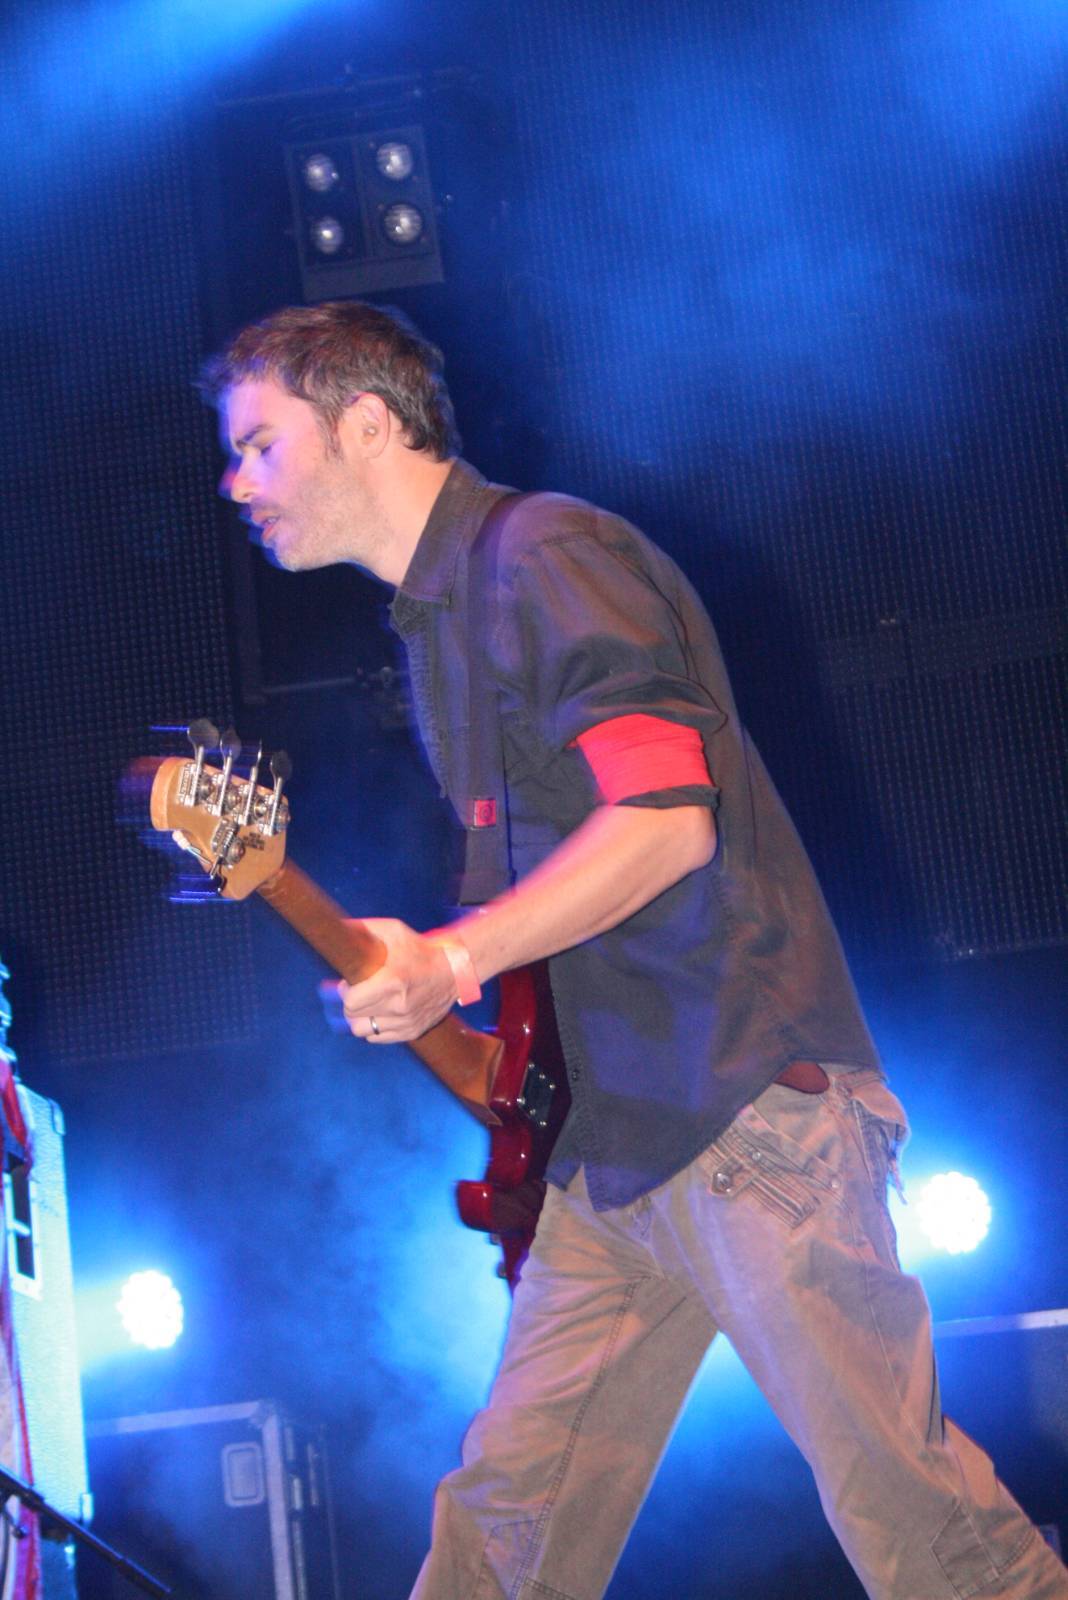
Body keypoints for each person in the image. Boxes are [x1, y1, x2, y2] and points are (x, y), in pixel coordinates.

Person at [201, 301, 1068, 1600]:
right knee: (500, 1538)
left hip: (742, 1111)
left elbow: (665, 824)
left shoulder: (543, 555)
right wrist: (433, 976)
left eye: (259, 444)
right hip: (609, 1161)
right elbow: (558, 935)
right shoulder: (437, 628)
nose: (236, 483)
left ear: (365, 423)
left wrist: (452, 958)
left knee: (923, 1533)